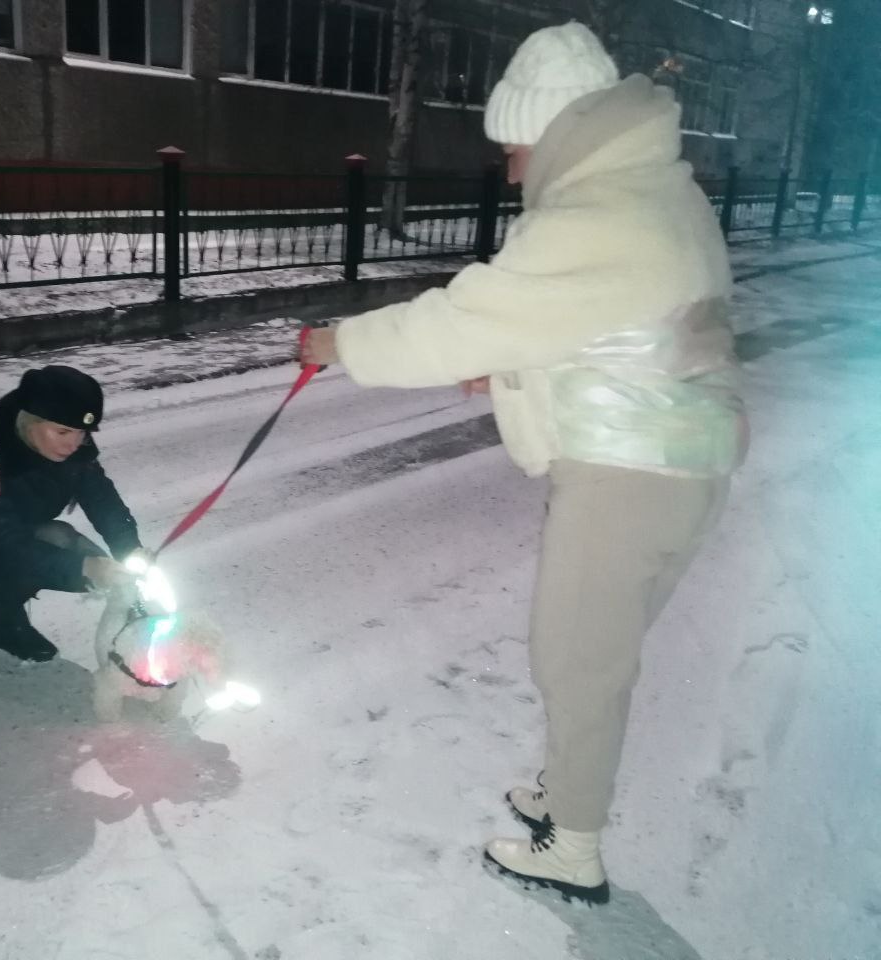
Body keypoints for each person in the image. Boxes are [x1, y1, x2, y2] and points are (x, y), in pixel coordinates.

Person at [301, 22, 746, 904]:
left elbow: (462, 317)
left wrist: (337, 342)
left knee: (579, 658)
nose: (509, 168)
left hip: (631, 472)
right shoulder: (660, 194)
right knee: (596, 648)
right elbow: (626, 333)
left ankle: (572, 845)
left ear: (556, 129)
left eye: (512, 147)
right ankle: (565, 787)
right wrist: (506, 368)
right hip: (681, 464)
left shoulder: (598, 217)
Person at [0, 365, 149, 663]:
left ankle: (6, 620)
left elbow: (102, 498)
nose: (74, 443)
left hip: (20, 528)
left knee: (67, 548)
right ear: (30, 422)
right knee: (49, 555)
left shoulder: (75, 446)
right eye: (63, 431)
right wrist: (86, 567)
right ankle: (6, 625)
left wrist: (130, 548)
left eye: (82, 432)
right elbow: (5, 540)